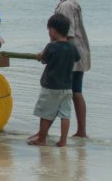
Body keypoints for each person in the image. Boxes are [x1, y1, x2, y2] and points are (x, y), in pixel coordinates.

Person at [28, 14, 80, 147]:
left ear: (53, 30)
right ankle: (63, 140)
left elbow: (44, 59)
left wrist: (40, 55)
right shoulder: (72, 47)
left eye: (49, 29)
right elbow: (77, 58)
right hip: (67, 87)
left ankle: (42, 139)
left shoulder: (51, 47)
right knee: (65, 115)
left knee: (45, 113)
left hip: (50, 87)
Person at [53, 0, 90, 137]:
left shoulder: (66, 6)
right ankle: (81, 130)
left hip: (71, 55)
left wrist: (57, 55)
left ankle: (47, 131)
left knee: (62, 92)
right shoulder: (72, 2)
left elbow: (68, 33)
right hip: (79, 52)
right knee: (76, 91)